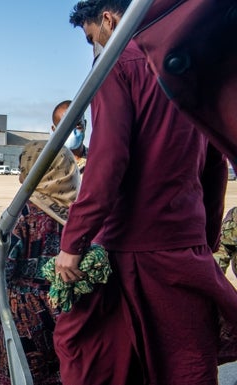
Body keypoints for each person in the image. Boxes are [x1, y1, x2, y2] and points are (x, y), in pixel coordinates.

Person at [53, 1, 237, 384]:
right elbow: (215, 164)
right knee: (188, 365)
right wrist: (204, 240)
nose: (95, 50)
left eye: (92, 40)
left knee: (102, 359)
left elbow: (108, 162)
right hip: (185, 247)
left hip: (132, 249)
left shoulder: (116, 64)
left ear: (108, 19)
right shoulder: (184, 59)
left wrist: (73, 240)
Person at [0, 141, 79, 385]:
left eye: (23, 170)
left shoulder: (22, 212)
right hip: (72, 311)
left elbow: (0, 268)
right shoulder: (82, 214)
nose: (20, 178)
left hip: (26, 318)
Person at [51, 100, 89, 173]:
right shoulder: (46, 165)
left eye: (77, 125)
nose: (72, 131)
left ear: (85, 124)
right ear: (54, 130)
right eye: (64, 126)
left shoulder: (97, 161)